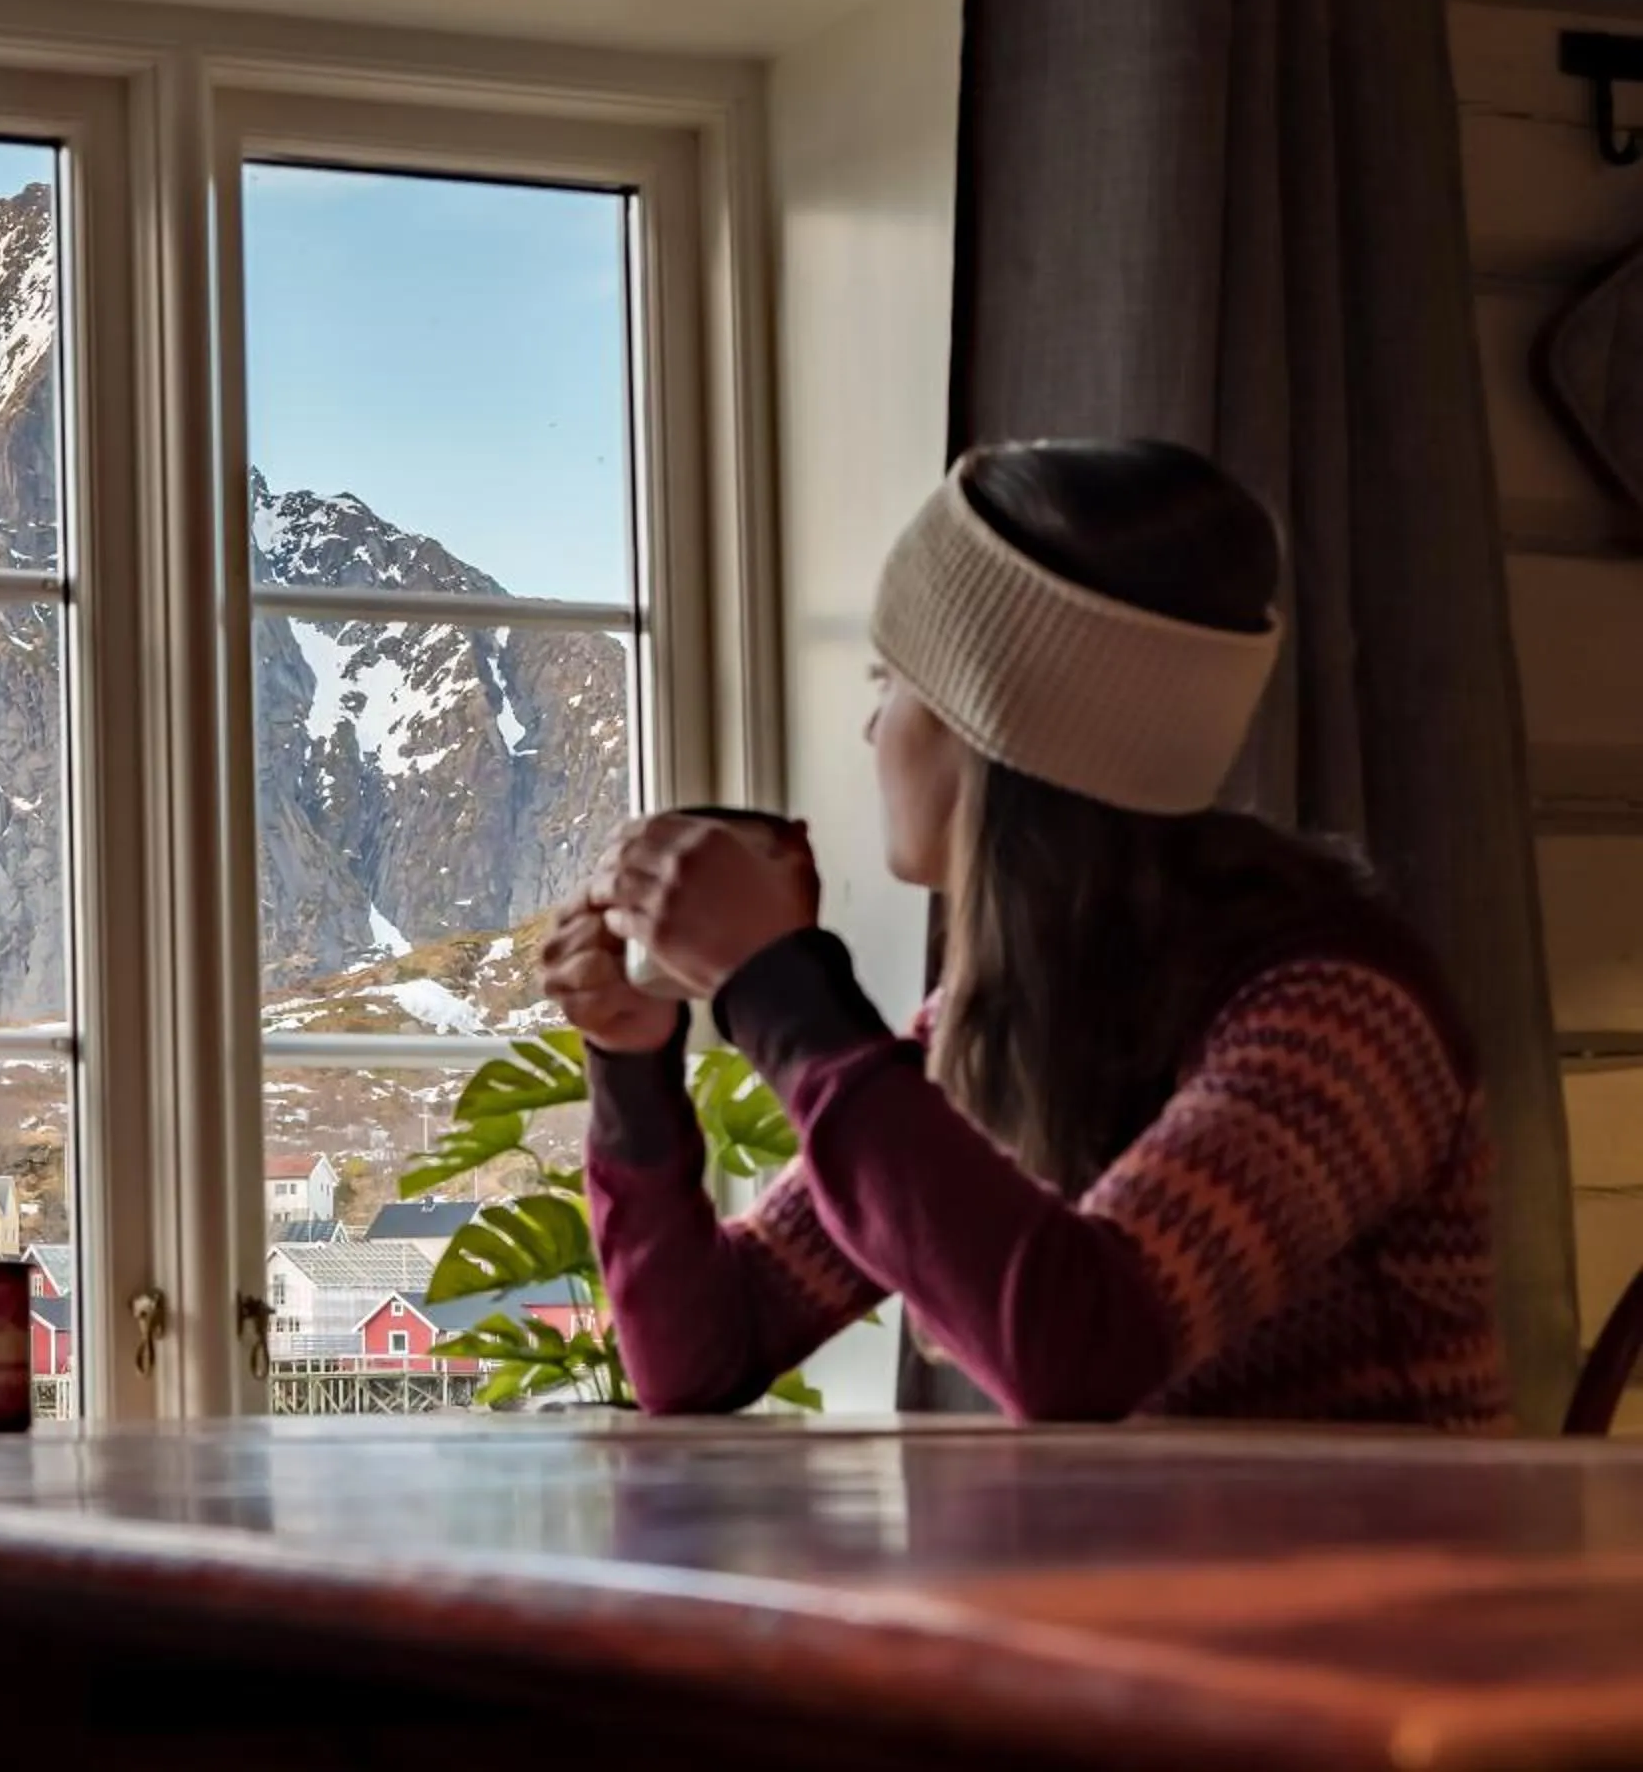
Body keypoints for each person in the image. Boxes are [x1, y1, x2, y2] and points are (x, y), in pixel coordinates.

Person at [544, 439, 1509, 1427]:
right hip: (1147, 1576)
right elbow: (704, 1355)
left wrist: (779, 986)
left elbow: (1081, 1347)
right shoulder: (1025, 1006)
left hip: (1382, 1577)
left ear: (986, 728)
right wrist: (632, 1063)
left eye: (889, 680)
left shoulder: (1337, 1015)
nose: (872, 731)